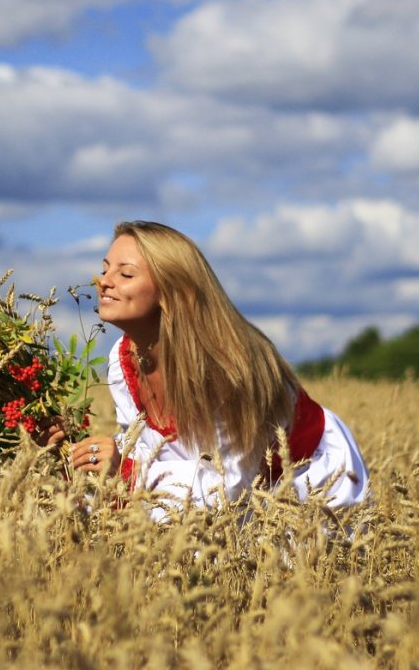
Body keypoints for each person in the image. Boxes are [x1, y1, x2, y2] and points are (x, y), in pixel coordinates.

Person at [50, 220, 368, 520]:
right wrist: (77, 453)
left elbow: (228, 488)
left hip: (304, 481)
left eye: (126, 275)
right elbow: (144, 451)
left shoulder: (228, 368)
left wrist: (126, 472)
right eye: (105, 270)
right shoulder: (123, 359)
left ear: (173, 291)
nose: (103, 281)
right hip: (220, 489)